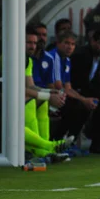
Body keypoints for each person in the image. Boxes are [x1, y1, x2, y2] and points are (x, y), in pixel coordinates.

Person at [24, 26, 72, 161]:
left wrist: (51, 92)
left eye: (34, 42)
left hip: (15, 99)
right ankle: (48, 147)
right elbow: (16, 89)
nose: (33, 46)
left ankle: (46, 151)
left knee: (42, 102)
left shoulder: (27, 60)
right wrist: (49, 96)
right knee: (30, 101)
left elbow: (31, 86)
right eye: (29, 42)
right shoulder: (10, 58)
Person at [50, 31, 99, 140]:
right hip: (47, 94)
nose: (70, 47)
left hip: (58, 95)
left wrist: (85, 100)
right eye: (66, 43)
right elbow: (58, 86)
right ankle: (56, 141)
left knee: (84, 107)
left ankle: (69, 142)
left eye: (73, 44)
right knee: (73, 106)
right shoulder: (53, 57)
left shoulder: (67, 60)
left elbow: (68, 87)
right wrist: (83, 100)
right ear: (58, 43)